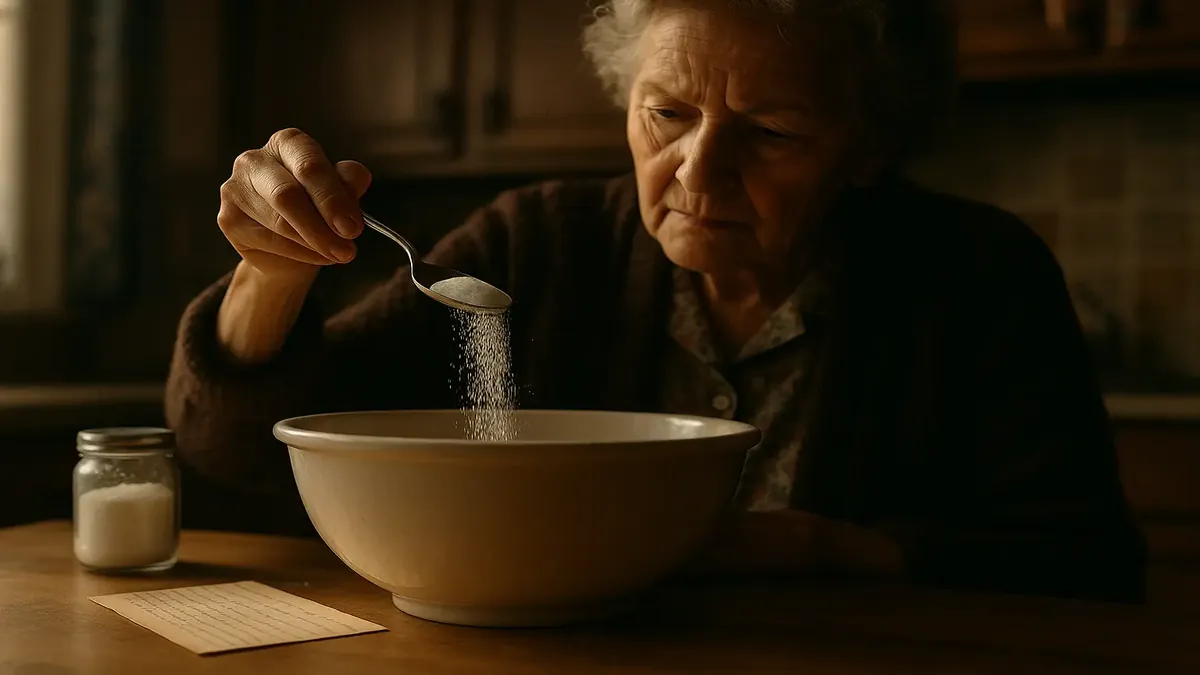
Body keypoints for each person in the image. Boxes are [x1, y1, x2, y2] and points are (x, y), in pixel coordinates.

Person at [166, 0, 1146, 602]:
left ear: (868, 148)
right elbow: (238, 450)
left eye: (768, 133)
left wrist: (824, 550)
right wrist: (274, 270)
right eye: (667, 115)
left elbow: (1082, 564)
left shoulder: (974, 276)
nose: (697, 173)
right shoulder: (537, 244)